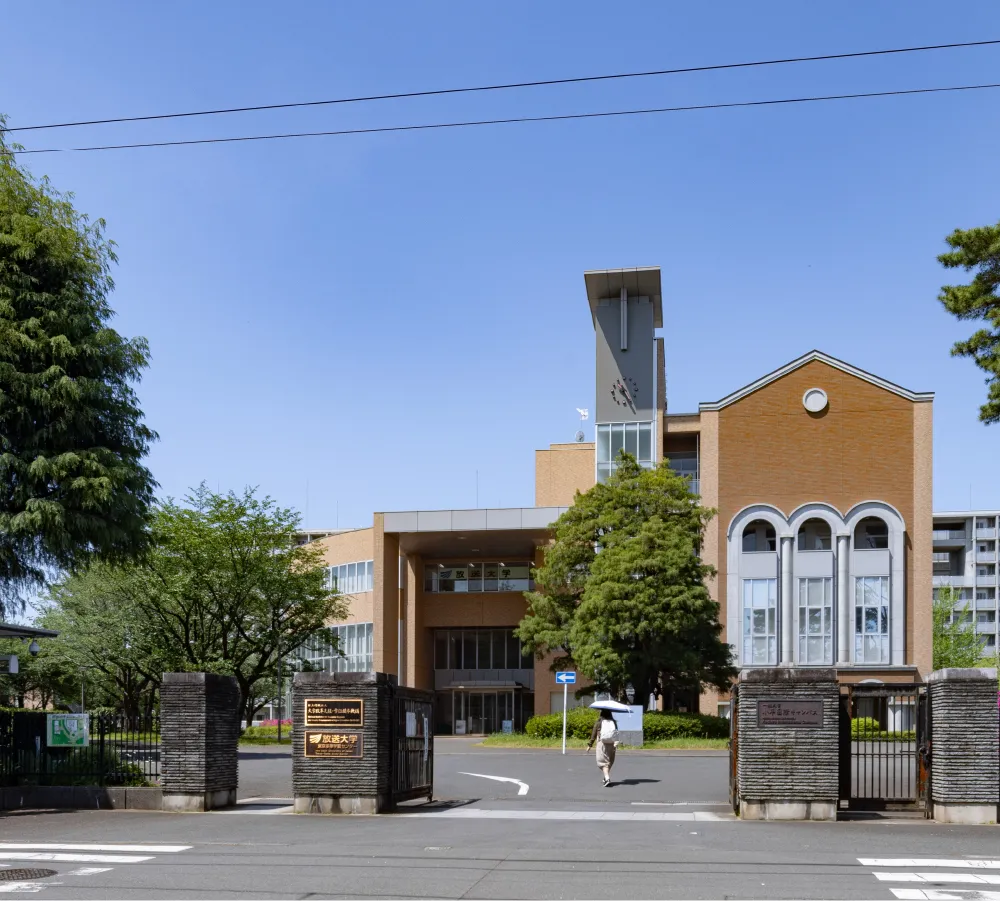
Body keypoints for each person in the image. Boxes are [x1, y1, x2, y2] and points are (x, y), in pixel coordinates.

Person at [586, 709, 619, 787]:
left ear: (601, 714)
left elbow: (593, 735)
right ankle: (605, 777)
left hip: (602, 743)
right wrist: (616, 743)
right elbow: (616, 732)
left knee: (602, 762)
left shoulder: (599, 722)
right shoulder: (613, 722)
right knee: (609, 761)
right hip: (612, 744)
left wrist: (590, 745)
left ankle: (607, 778)